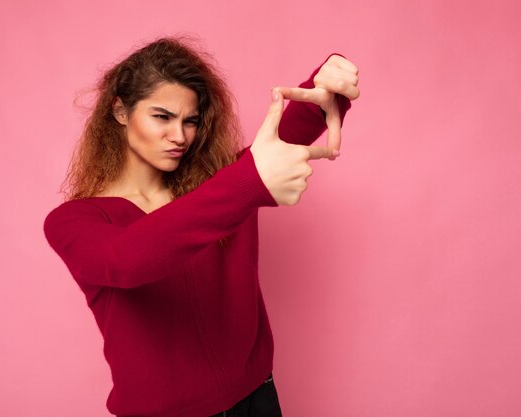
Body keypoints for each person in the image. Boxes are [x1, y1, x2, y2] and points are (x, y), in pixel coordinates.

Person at [43, 36, 359, 417]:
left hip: (257, 397)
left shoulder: (218, 185)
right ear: (121, 111)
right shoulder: (74, 220)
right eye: (162, 116)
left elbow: (283, 138)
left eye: (190, 121)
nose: (180, 137)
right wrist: (249, 181)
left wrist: (327, 82)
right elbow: (125, 260)